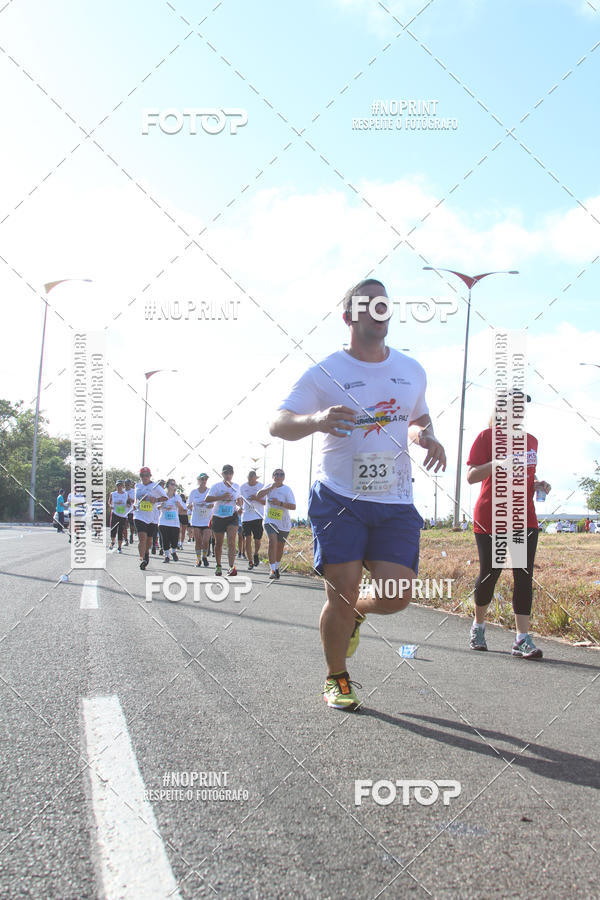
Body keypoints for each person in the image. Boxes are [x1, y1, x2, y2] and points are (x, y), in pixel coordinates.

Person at [270, 277, 446, 710]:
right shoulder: (326, 370)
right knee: (341, 592)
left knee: (398, 595)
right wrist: (316, 419)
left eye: (385, 303)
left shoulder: (411, 369)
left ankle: (357, 615)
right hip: (338, 496)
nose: (379, 310)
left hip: (394, 500)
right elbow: (279, 424)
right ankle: (337, 678)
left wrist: (426, 435)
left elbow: (418, 416)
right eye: (369, 304)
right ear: (348, 316)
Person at [466, 395, 551, 660]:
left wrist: (538, 484)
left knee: (523, 577)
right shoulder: (486, 437)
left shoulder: (532, 441)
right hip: (491, 517)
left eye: (521, 407)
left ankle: (521, 639)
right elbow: (471, 476)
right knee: (490, 573)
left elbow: (525, 475)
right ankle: (478, 627)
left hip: (524, 518)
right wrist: (497, 464)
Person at [256, 470, 296, 579]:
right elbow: (258, 495)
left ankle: (277, 567)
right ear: (273, 476)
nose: (278, 476)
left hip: (283, 522)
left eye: (281, 474)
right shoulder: (269, 486)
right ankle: (272, 569)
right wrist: (270, 488)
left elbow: (293, 506)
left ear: (284, 477)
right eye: (276, 474)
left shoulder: (287, 490)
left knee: (280, 547)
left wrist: (280, 503)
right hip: (270, 520)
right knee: (272, 541)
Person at [205, 465, 242, 577]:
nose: (228, 475)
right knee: (218, 543)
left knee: (231, 541)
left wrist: (239, 504)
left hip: (232, 516)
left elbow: (239, 499)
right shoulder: (216, 486)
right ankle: (219, 566)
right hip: (218, 516)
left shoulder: (236, 486)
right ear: (222, 474)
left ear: (233, 474)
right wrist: (221, 497)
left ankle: (231, 567)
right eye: (226, 473)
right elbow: (207, 499)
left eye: (230, 473)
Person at [133, 467, 167, 570]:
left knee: (149, 541)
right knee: (142, 538)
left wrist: (156, 499)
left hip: (152, 518)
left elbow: (165, 498)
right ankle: (142, 558)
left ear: (150, 476)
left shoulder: (155, 486)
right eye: (143, 475)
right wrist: (135, 504)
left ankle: (146, 553)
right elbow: (136, 498)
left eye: (147, 475)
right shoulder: (137, 486)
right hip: (139, 516)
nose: (145, 477)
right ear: (140, 476)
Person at [240, 470, 265, 570]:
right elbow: (239, 500)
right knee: (247, 539)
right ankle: (250, 561)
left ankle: (255, 554)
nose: (250, 480)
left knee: (257, 540)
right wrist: (239, 507)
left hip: (258, 516)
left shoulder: (261, 486)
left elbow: (264, 502)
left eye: (252, 478)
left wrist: (256, 498)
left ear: (256, 478)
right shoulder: (243, 487)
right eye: (249, 479)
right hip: (246, 516)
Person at [187, 474, 214, 567]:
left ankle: (204, 556)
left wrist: (211, 505)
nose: (204, 481)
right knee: (198, 540)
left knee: (206, 540)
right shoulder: (194, 492)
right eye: (202, 479)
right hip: (196, 520)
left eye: (206, 479)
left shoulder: (210, 491)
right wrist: (189, 506)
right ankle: (198, 559)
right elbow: (188, 504)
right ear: (198, 480)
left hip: (207, 519)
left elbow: (214, 502)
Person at [157, 480, 187, 562]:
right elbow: (156, 507)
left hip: (174, 522)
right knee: (165, 539)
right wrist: (161, 505)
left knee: (174, 540)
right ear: (168, 486)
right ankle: (167, 556)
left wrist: (178, 505)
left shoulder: (177, 497)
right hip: (163, 521)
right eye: (172, 484)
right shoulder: (162, 496)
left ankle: (173, 552)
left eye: (175, 484)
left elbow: (182, 509)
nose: (174, 486)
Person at [109, 480, 129, 552]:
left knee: (120, 531)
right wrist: (111, 506)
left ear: (122, 486)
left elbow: (129, 503)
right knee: (113, 529)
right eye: (117, 485)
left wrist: (127, 505)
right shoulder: (113, 494)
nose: (119, 487)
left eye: (120, 485)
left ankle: (119, 547)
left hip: (123, 515)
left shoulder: (126, 494)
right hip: (115, 513)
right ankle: (112, 541)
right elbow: (109, 502)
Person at [124, 479, 136, 545]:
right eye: (126, 484)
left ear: (130, 484)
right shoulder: (122, 491)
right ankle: (126, 539)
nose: (127, 485)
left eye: (128, 484)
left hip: (131, 511)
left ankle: (131, 534)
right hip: (124, 511)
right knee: (124, 526)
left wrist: (131, 500)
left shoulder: (133, 491)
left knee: (131, 525)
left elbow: (136, 500)